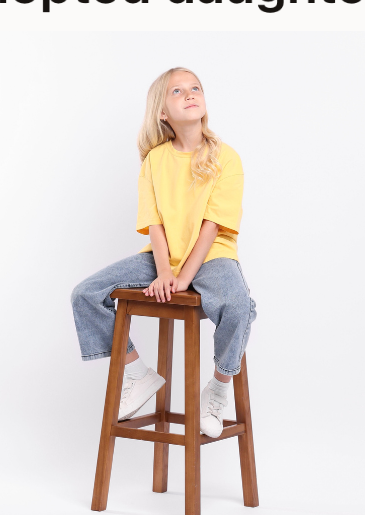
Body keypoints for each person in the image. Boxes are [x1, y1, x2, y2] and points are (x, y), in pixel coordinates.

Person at [71, 67, 257, 438]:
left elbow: (213, 226)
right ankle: (137, 374)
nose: (190, 94)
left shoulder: (226, 157)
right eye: (177, 91)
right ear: (161, 111)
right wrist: (163, 271)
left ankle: (217, 390)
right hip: (162, 254)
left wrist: (181, 278)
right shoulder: (155, 160)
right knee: (85, 294)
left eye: (196, 88)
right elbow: (154, 223)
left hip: (211, 255)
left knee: (238, 305)